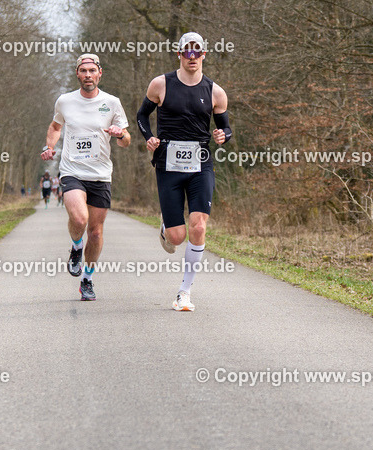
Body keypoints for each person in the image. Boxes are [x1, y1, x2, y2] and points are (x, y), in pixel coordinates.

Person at [136, 32, 232, 312]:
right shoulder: (161, 84)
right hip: (168, 164)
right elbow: (142, 116)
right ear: (178, 53)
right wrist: (149, 138)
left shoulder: (215, 92)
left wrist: (223, 135)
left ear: (204, 54)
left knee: (199, 226)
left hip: (201, 163)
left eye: (197, 52)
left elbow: (226, 127)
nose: (192, 57)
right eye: (187, 52)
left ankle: (184, 292)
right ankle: (168, 227)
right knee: (177, 238)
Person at [42, 54, 130, 301]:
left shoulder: (112, 103)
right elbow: (55, 127)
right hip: (72, 171)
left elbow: (126, 141)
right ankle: (76, 248)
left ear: (100, 73)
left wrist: (119, 134)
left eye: (92, 70)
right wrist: (49, 147)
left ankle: (88, 279)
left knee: (96, 233)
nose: (88, 75)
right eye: (83, 71)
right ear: (77, 74)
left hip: (101, 174)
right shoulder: (65, 101)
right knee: (79, 219)